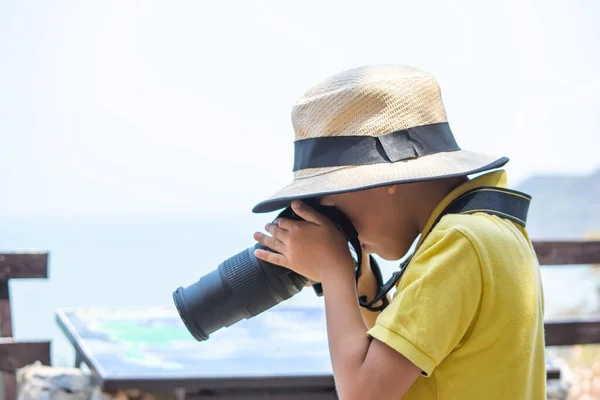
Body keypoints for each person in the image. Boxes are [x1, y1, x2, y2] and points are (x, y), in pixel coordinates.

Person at [251, 65, 546, 399]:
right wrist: (361, 283)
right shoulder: (489, 229)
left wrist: (332, 268)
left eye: (334, 205)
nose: (342, 228)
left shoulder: (459, 244)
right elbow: (395, 358)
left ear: (386, 178)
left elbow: (363, 393)